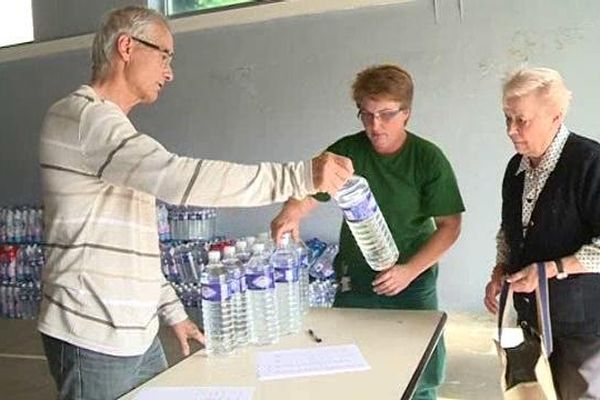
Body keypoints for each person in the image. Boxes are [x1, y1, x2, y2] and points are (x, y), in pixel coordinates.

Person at [37, 6, 353, 400]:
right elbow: (179, 177)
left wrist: (171, 311)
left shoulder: (112, 132)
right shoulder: (83, 118)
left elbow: (133, 245)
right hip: (94, 335)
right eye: (165, 56)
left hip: (137, 333)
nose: (169, 72)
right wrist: (298, 177)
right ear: (126, 47)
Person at [270, 64, 465, 400]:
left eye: (386, 114)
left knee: (418, 373)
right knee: (351, 367)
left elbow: (450, 226)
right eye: (367, 114)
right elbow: (310, 191)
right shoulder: (347, 151)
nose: (375, 125)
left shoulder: (427, 159)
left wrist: (409, 270)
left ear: (407, 113)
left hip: (411, 283)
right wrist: (291, 211)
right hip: (356, 280)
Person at [483, 67, 600, 399]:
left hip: (581, 328)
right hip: (530, 319)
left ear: (555, 116)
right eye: (507, 118)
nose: (511, 130)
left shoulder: (590, 163)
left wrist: (552, 270)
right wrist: (500, 269)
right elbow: (509, 230)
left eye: (522, 120)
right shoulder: (516, 169)